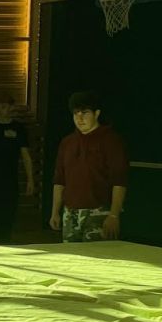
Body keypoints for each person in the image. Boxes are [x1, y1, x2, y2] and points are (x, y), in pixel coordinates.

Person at [50, 90, 128, 242]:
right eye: (76, 113)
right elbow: (59, 179)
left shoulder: (111, 141)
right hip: (70, 212)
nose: (80, 118)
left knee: (96, 255)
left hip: (98, 211)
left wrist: (114, 215)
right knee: (69, 255)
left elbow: (119, 180)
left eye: (85, 113)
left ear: (96, 113)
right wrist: (55, 212)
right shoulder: (67, 142)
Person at [0, 96, 35, 243]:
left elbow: (25, 155)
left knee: (7, 220)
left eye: (3, 106)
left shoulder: (18, 128)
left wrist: (30, 179)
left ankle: (5, 247)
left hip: (9, 181)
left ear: (11, 108)